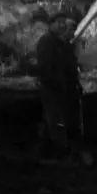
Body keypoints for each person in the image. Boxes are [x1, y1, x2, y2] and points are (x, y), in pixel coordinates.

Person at [34, 12, 82, 160]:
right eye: (58, 22)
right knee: (54, 122)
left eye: (63, 22)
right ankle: (53, 155)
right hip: (53, 89)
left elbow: (69, 66)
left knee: (56, 122)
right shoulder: (46, 42)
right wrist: (57, 84)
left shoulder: (61, 42)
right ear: (51, 24)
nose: (62, 25)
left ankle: (51, 154)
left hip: (63, 89)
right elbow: (46, 68)